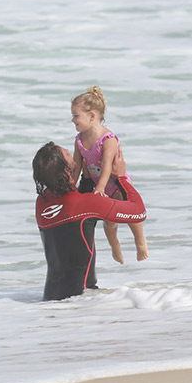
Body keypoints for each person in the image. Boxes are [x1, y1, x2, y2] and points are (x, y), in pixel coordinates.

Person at [33, 142, 146, 301]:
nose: (73, 154)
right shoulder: (85, 204)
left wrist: (86, 180)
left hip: (50, 299)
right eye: (68, 154)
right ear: (66, 170)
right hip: (80, 300)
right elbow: (138, 212)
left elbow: (77, 223)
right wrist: (121, 178)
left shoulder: (42, 203)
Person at [71, 86, 148, 264]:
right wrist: (72, 186)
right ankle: (114, 245)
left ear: (91, 116)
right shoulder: (79, 139)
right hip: (100, 184)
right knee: (108, 221)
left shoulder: (108, 139)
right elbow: (77, 166)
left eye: (76, 115)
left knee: (129, 213)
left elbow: (107, 165)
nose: (73, 120)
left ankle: (140, 241)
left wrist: (100, 187)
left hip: (114, 181)